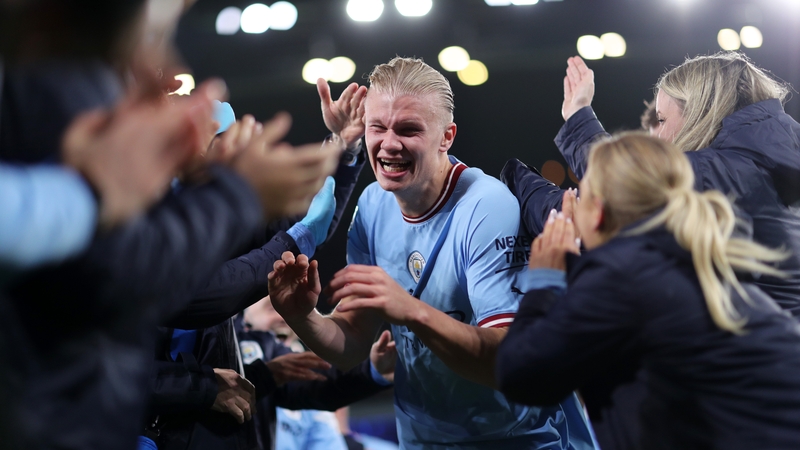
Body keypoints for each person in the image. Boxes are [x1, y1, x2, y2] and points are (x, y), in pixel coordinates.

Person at [0, 1, 340, 449]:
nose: (171, 73)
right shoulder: (55, 114)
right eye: (152, 39)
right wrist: (238, 196)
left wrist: (341, 153)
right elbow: (151, 279)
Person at [268, 57, 596, 449]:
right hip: (421, 440)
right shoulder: (372, 205)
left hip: (513, 439)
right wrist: (302, 316)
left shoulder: (487, 207)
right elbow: (353, 343)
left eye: (408, 130)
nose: (389, 144)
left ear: (447, 137)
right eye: (378, 127)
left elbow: (510, 362)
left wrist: (412, 312)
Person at [496, 132, 800, 450]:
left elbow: (520, 375)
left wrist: (546, 279)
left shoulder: (624, 274)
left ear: (597, 212)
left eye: (580, 196)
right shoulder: (695, 258)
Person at [553, 52, 800, 316]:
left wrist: (516, 178)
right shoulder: (763, 160)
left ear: (700, 114)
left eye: (661, 120)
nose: (654, 135)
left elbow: (614, 182)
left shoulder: (710, 172)